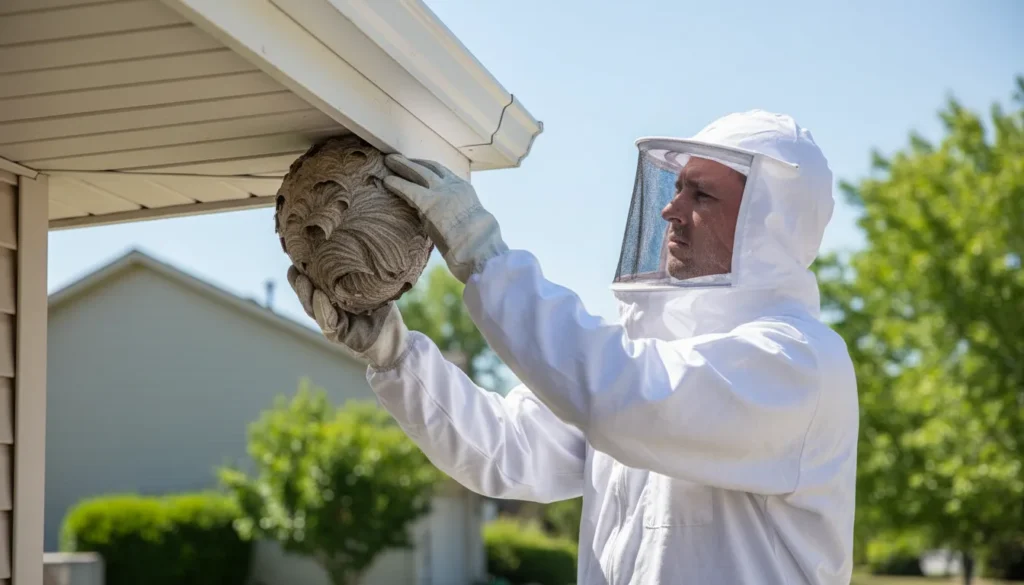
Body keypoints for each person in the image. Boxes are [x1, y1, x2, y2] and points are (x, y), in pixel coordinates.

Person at [287, 110, 858, 584]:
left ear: (768, 223)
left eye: (701, 193)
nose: (670, 209)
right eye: (677, 185)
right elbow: (507, 453)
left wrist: (485, 257)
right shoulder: (649, 361)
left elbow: (627, 399)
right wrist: (395, 355)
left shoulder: (798, 363)